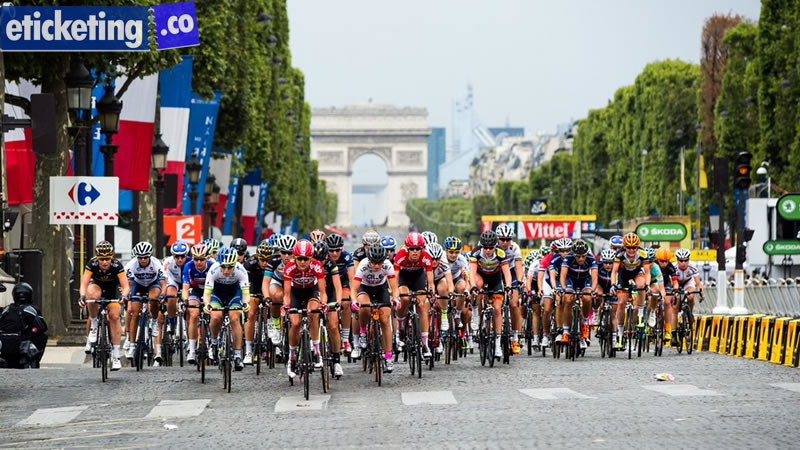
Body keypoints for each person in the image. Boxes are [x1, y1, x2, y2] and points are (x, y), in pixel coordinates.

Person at [79, 241, 129, 370]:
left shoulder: (117, 265)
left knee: (115, 316)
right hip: (97, 288)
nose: (105, 262)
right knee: (91, 295)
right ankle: (94, 325)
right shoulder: (92, 264)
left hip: (113, 290)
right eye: (102, 259)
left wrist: (124, 296)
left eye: (107, 259)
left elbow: (125, 286)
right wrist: (82, 296)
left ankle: (116, 356)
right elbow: (84, 284)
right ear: (97, 258)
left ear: (111, 258)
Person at [351, 245, 399, 373]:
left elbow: (394, 288)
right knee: (365, 308)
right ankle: (362, 332)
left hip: (380, 289)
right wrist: (354, 301)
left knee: (384, 320)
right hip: (364, 288)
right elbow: (354, 288)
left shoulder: (388, 265)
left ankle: (388, 357)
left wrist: (395, 299)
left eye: (379, 263)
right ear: (369, 260)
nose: (377, 266)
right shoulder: (363, 265)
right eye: (374, 262)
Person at [283, 239, 327, 378]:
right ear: (294, 258)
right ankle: (291, 357)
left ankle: (317, 351)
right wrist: (286, 306)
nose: (302, 262)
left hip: (311, 292)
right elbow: (286, 294)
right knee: (295, 323)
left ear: (311, 258)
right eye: (299, 259)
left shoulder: (317, 266)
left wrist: (324, 304)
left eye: (306, 259)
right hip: (295, 293)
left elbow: (323, 292)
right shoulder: (289, 268)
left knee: (313, 314)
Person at [469, 230, 513, 359]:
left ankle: (498, 344)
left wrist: (508, 286)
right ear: (481, 246)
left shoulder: (500, 253)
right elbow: (471, 272)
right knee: (477, 284)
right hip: (480, 276)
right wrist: (472, 287)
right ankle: (476, 313)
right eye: (485, 247)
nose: (488, 250)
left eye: (491, 248)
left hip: (495, 279)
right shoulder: (476, 252)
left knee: (498, 309)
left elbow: (507, 273)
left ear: (495, 246)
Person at [203, 248, 249, 371]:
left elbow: (245, 293)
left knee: (235, 318)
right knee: (216, 316)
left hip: (234, 293)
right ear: (219, 264)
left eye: (230, 267)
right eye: (223, 267)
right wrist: (207, 304)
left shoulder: (241, 270)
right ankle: (213, 342)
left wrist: (245, 303)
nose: (226, 271)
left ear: (235, 264)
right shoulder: (213, 270)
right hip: (217, 293)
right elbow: (207, 293)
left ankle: (238, 355)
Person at [394, 232, 436, 358]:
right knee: (405, 298)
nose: (414, 252)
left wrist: (431, 292)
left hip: (418, 277)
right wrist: (395, 294)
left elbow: (430, 281)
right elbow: (394, 280)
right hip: (404, 278)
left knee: (422, 305)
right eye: (411, 249)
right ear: (406, 248)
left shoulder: (426, 257)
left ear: (422, 249)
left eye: (418, 249)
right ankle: (401, 325)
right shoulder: (400, 256)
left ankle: (425, 343)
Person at [124, 242, 166, 361]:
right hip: (138, 285)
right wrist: (128, 296)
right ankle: (132, 345)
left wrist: (163, 294)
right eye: (140, 257)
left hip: (153, 284)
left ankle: (153, 320)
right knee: (135, 313)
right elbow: (128, 284)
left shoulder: (156, 264)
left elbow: (163, 283)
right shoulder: (131, 265)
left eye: (145, 257)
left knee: (153, 300)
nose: (142, 260)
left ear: (150, 256)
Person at [610, 232, 651, 348]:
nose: (632, 250)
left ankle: (640, 315)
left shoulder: (642, 253)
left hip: (637, 273)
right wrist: (613, 284)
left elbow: (647, 272)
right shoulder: (620, 254)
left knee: (641, 284)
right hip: (623, 276)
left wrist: (647, 285)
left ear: (638, 247)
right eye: (629, 247)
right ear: (625, 247)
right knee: (621, 303)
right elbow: (614, 272)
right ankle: (620, 335)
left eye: (634, 248)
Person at [558, 239, 597, 348]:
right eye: (578, 256)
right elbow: (563, 276)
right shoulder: (568, 258)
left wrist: (593, 290)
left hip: (585, 280)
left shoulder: (591, 259)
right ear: (573, 254)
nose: (581, 259)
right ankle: (565, 331)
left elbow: (594, 278)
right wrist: (563, 288)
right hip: (571, 280)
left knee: (588, 298)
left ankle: (585, 323)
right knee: (568, 299)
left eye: (583, 256)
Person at [313, 240, 344, 377]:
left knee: (333, 325)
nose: (320, 264)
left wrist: (338, 302)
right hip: (313, 292)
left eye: (323, 260)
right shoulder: (309, 264)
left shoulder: (331, 264)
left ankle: (337, 360)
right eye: (317, 260)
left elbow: (338, 287)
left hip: (329, 292)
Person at [156, 240, 189, 366]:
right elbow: (164, 280)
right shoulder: (168, 263)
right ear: (173, 256)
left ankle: (187, 321)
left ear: (186, 255)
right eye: (177, 256)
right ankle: (172, 322)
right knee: (171, 297)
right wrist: (163, 294)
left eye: (182, 256)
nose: (180, 259)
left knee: (190, 302)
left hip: (187, 282)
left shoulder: (191, 262)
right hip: (173, 281)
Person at [0, 282, 48, 369]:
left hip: (4, 345)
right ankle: (33, 358)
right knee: (43, 336)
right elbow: (42, 327)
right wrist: (33, 330)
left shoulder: (7, 309)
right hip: (22, 344)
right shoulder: (31, 309)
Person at [262, 234, 297, 350]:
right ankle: (275, 323)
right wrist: (267, 297)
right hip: (278, 281)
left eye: (290, 252)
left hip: (294, 282)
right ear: (279, 251)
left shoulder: (300, 260)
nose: (286, 256)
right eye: (283, 252)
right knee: (276, 295)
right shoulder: (274, 259)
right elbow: (266, 281)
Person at [325, 233, 356, 356]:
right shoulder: (323, 257)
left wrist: (354, 298)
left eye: (337, 250)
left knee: (345, 302)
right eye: (331, 250)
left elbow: (352, 279)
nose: (334, 253)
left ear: (342, 249)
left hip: (342, 284)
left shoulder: (347, 257)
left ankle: (345, 339)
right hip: (327, 284)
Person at [495, 224, 524, 354]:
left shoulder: (515, 248)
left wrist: (519, 281)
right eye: (502, 239)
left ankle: (515, 337)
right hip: (495, 272)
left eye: (508, 239)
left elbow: (518, 267)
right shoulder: (491, 246)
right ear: (497, 239)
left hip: (510, 273)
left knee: (514, 304)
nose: (505, 242)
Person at [242, 240, 272, 365]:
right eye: (262, 260)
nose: (265, 263)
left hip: (268, 286)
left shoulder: (273, 264)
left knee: (268, 307)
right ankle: (248, 351)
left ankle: (268, 328)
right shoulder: (249, 264)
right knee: (251, 313)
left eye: (267, 260)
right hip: (253, 286)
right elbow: (245, 285)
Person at [183, 243, 212, 365]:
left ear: (207, 258)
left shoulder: (212, 266)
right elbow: (185, 288)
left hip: (210, 290)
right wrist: (185, 301)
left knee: (214, 314)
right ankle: (192, 349)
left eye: (201, 259)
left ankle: (213, 342)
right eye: (196, 259)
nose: (198, 262)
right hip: (195, 290)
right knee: (193, 314)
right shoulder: (188, 266)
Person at [443, 236, 472, 348]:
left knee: (462, 286)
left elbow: (468, 278)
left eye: (456, 252)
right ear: (446, 250)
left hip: (456, 278)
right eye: (451, 252)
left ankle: (458, 315)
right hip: (444, 279)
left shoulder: (462, 259)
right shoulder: (442, 258)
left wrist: (467, 291)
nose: (453, 255)